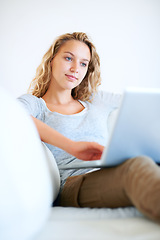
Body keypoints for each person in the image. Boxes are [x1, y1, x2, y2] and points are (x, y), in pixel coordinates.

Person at [18, 32, 160, 223]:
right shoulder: (36, 105)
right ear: (51, 60)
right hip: (74, 183)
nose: (75, 68)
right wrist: (72, 146)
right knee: (137, 166)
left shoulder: (95, 100)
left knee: (144, 163)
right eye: (69, 58)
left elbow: (146, 104)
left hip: (113, 170)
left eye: (83, 63)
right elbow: (11, 116)